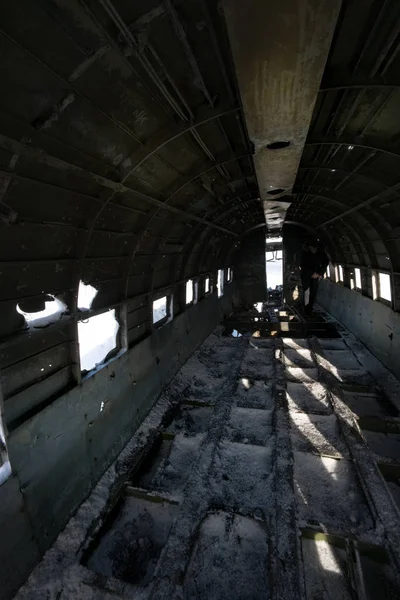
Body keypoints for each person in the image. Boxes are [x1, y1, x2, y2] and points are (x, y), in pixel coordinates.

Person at [300, 241, 329, 315]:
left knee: (313, 293)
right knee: (306, 292)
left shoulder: (321, 254)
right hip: (306, 276)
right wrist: (311, 274)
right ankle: (305, 309)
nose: (313, 249)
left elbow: (325, 263)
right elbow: (302, 266)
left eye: (314, 248)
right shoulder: (305, 253)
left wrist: (320, 273)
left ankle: (309, 309)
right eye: (311, 248)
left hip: (316, 276)